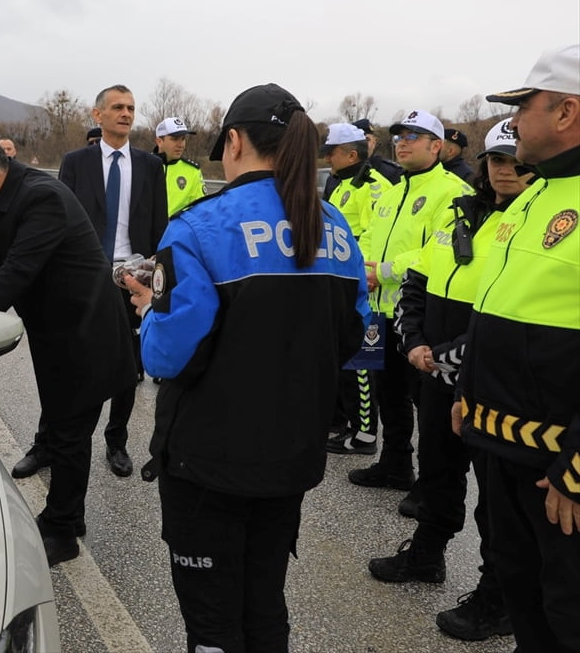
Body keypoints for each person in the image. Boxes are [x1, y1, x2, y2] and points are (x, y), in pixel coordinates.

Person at [126, 83, 368, 653]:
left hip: (209, 463)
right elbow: (352, 339)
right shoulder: (333, 225)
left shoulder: (198, 227)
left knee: (213, 626)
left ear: (234, 141)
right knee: (264, 608)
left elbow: (164, 356)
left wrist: (147, 311)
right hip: (291, 457)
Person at [0, 136, 136, 566]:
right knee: (63, 427)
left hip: (86, 334)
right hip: (57, 334)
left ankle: (62, 530)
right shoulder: (2, 202)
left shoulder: (42, 199)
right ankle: (70, 515)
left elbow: (16, 273)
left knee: (69, 434)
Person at [367, 118, 533, 642]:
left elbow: (509, 313)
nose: (505, 170)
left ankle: (498, 596)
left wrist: (454, 356)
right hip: (435, 368)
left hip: (487, 377)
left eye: (515, 160)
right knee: (437, 468)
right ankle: (427, 554)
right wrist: (415, 339)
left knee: (496, 500)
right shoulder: (463, 211)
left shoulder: (529, 223)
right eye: (497, 160)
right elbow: (419, 281)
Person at [456, 44, 580, 652]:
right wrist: (468, 395)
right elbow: (498, 310)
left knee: (569, 613)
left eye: (523, 106)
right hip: (503, 449)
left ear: (565, 112)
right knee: (525, 599)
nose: (512, 120)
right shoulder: (532, 195)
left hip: (561, 474)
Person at [18, 84, 166, 480]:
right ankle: (45, 442)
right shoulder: (76, 162)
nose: (126, 113)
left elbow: (158, 227)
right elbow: (59, 220)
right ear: (97, 115)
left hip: (132, 279)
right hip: (83, 276)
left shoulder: (151, 166)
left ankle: (116, 443)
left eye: (131, 108)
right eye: (117, 107)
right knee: (66, 363)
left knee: (126, 367)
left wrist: (155, 279)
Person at [348, 110, 471, 499]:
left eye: (414, 136)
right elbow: (368, 235)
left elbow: (437, 250)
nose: (402, 142)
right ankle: (395, 463)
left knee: (426, 404)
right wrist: (361, 267)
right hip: (375, 310)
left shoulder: (452, 191)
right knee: (387, 393)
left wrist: (383, 270)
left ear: (436, 146)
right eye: (400, 136)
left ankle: (429, 488)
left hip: (414, 315)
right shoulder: (389, 190)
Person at [322, 122, 392, 455]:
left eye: (332, 153)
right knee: (343, 358)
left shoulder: (374, 185)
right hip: (338, 280)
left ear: (351, 153)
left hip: (362, 284)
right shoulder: (340, 183)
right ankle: (344, 422)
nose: (328, 160)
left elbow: (373, 233)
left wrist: (357, 269)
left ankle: (364, 434)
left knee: (361, 362)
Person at [156, 117, 205, 215]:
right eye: (174, 139)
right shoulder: (143, 166)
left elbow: (201, 209)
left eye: (183, 139)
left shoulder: (192, 170)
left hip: (178, 230)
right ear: (159, 142)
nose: (181, 145)